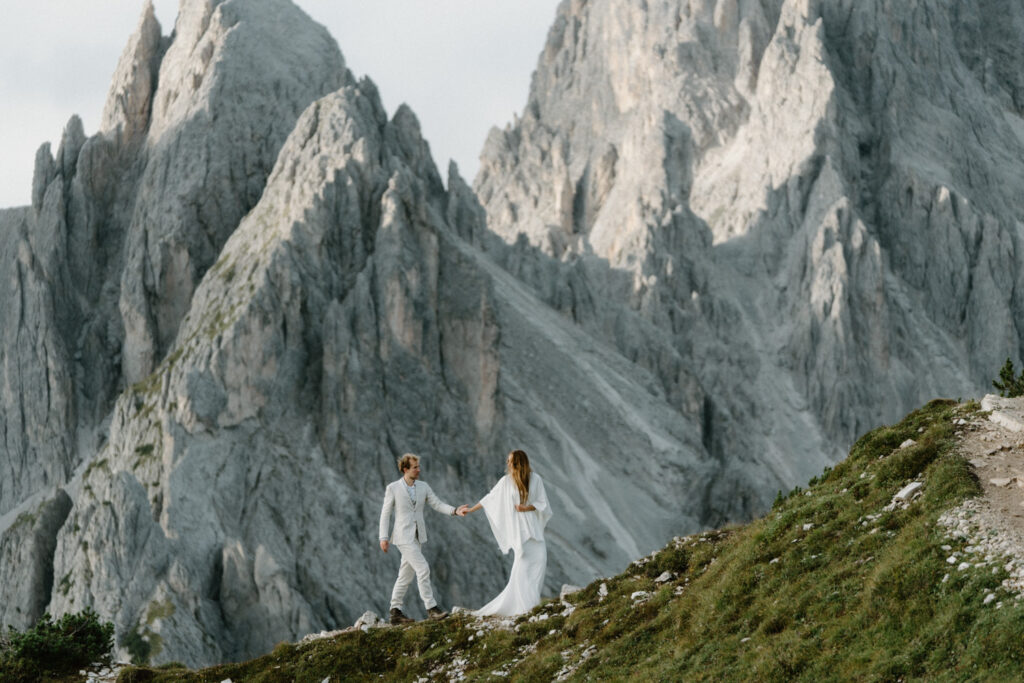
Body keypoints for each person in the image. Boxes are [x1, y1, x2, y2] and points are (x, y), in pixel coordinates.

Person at [379, 453, 468, 625]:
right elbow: (385, 513)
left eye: (419, 467)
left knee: (405, 575)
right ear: (405, 469)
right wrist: (383, 537)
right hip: (402, 536)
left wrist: (455, 510)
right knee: (423, 568)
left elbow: (437, 503)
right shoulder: (393, 488)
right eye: (415, 467)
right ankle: (431, 608)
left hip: (418, 536)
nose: (419, 470)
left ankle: (395, 612)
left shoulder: (423, 487)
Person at [464, 449, 553, 616]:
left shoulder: (536, 479)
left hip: (535, 531)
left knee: (538, 565)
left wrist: (526, 507)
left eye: (510, 461)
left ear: (518, 463)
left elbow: (543, 503)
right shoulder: (506, 481)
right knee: (522, 568)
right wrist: (470, 510)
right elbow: (490, 498)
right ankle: (526, 608)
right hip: (521, 533)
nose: (508, 464)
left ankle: (530, 604)